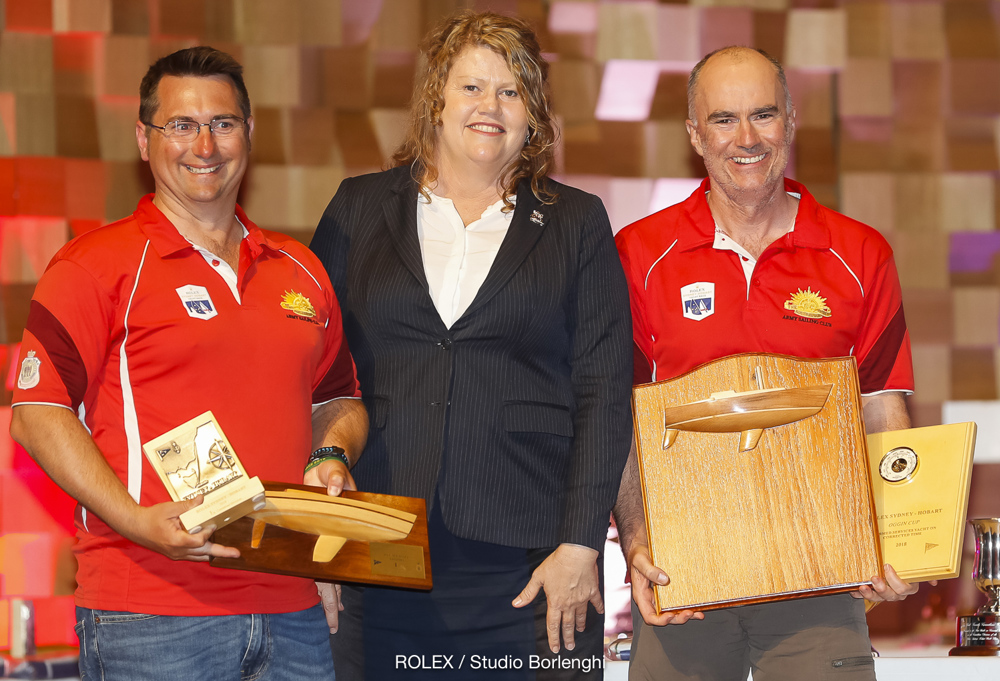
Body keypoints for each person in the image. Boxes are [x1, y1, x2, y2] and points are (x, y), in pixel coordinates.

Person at [9, 46, 367, 680]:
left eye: (223, 124)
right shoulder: (94, 265)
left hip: (293, 613)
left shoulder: (301, 270)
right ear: (145, 140)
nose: (204, 144)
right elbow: (37, 415)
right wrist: (137, 522)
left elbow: (337, 401)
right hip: (149, 614)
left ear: (249, 134)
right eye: (181, 125)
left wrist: (331, 455)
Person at [309, 11, 632, 680]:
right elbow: (313, 370)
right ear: (437, 100)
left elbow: (603, 392)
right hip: (376, 556)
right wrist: (310, 525)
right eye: (472, 87)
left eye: (511, 91)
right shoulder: (357, 208)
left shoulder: (576, 222)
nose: (491, 106)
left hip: (534, 573)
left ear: (533, 114)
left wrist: (579, 544)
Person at [613, 46, 918, 680]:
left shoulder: (860, 254)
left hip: (822, 582)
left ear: (791, 121)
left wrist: (901, 538)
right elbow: (622, 416)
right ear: (695, 134)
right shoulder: (640, 254)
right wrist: (638, 541)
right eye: (723, 119)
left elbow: (883, 406)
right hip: (686, 580)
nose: (746, 138)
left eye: (763, 114)